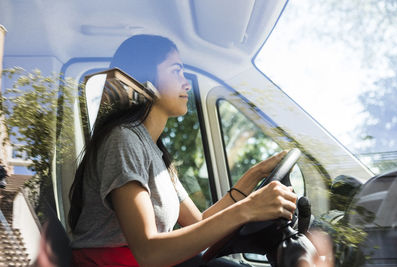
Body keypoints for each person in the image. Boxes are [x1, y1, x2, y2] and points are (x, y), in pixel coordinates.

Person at [68, 34, 297, 267]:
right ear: (146, 76)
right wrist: (248, 210)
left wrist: (254, 175)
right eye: (176, 71)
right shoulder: (123, 140)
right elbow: (149, 252)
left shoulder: (154, 151)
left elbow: (199, 222)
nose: (186, 83)